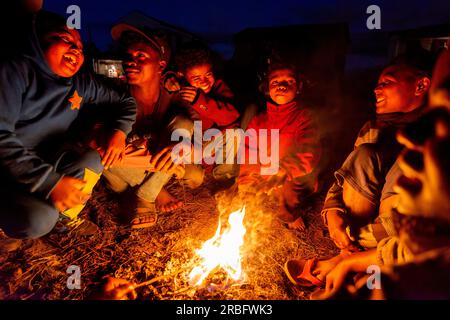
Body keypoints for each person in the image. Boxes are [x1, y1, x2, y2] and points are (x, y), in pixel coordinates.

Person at [284, 51, 434, 287]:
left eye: (387, 82)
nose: (376, 90)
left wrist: (351, 237)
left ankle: (352, 258)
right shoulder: (373, 128)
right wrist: (332, 215)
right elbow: (344, 178)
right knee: (364, 155)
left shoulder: (437, 136)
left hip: (407, 233)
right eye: (377, 84)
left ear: (421, 85)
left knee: (408, 161)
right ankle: (355, 258)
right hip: (369, 225)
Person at [0, 11, 136, 241]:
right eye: (65, 39)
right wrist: (51, 183)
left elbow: (125, 101)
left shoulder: (79, 83)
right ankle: (10, 223)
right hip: (7, 174)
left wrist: (120, 131)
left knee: (93, 159)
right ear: (37, 40)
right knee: (39, 219)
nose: (76, 50)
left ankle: (64, 219)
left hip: (48, 160)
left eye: (80, 47)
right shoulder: (15, 71)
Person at [102, 24, 204, 229]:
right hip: (131, 162)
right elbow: (101, 142)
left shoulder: (175, 93)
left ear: (161, 65)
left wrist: (189, 149)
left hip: (154, 159)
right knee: (106, 159)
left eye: (141, 55)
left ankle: (142, 190)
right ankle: (152, 192)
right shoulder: (113, 94)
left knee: (195, 171)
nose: (130, 61)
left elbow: (197, 135)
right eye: (128, 55)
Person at [237, 62, 321, 230]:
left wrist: (282, 172)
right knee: (247, 190)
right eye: (275, 82)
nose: (281, 86)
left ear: (298, 87)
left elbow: (309, 153)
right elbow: (250, 153)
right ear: (268, 87)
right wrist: (247, 181)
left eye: (288, 82)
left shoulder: (305, 118)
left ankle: (291, 214)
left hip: (294, 176)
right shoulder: (259, 120)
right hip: (268, 176)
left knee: (287, 191)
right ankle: (266, 198)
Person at [166, 41, 241, 181]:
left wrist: (201, 101)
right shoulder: (178, 90)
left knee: (234, 132)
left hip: (208, 145)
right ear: (182, 75)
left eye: (208, 74)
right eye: (196, 78)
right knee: (195, 178)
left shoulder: (218, 88)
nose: (205, 81)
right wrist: (168, 79)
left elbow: (232, 115)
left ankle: (222, 174)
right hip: (189, 149)